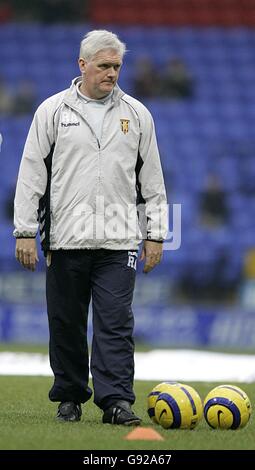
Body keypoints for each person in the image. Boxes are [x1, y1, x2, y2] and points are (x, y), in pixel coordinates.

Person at [14, 30, 168, 425]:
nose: (112, 73)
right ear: (82, 65)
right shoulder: (51, 111)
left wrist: (155, 234)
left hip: (119, 240)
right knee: (65, 323)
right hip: (65, 238)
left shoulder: (137, 114)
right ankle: (69, 397)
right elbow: (31, 174)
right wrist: (25, 230)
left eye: (117, 66)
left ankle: (116, 401)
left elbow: (152, 180)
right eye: (104, 66)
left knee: (115, 322)